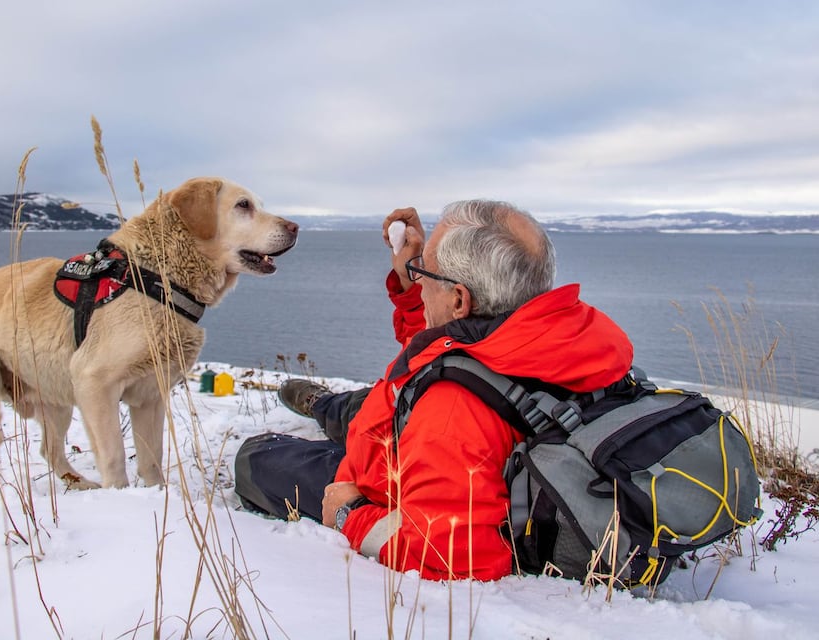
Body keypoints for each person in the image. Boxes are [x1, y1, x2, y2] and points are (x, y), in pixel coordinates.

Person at [234, 200, 634, 581]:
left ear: (460, 298)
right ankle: (325, 405)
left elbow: (449, 556)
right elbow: (444, 347)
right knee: (358, 406)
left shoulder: (450, 415)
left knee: (256, 457)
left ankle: (327, 411)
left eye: (424, 269)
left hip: (390, 469)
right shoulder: (545, 336)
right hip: (420, 426)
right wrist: (415, 284)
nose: (417, 274)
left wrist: (349, 513)